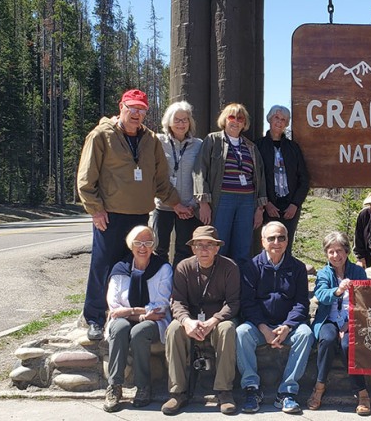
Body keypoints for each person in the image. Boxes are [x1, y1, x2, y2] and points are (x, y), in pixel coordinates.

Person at [77, 88, 193, 341]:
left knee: (132, 269)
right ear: (121, 107)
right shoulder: (101, 136)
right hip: (110, 215)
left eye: (141, 110)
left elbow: (160, 181)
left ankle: (125, 315)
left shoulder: (150, 140)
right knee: (103, 266)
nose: (136, 114)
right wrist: (95, 210)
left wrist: (176, 204)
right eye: (132, 108)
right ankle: (95, 317)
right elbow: (86, 178)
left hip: (140, 216)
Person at [161, 225, 240, 416]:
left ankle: (224, 391)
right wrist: (187, 321)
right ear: (192, 248)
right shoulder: (183, 267)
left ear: (217, 248)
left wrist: (214, 321)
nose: (204, 250)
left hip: (218, 320)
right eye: (199, 245)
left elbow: (233, 303)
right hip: (191, 320)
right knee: (172, 329)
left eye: (209, 245)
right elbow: (177, 301)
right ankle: (177, 392)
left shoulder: (229, 267)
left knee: (228, 329)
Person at [236, 221, 314, 414]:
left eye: (281, 237)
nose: (276, 242)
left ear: (288, 241)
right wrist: (263, 328)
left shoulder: (297, 268)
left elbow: (301, 303)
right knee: (241, 332)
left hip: (287, 327)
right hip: (260, 326)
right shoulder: (251, 267)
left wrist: (287, 326)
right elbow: (247, 302)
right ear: (263, 242)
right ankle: (251, 389)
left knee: (306, 334)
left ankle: (287, 392)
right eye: (271, 238)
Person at [103, 225, 173, 413]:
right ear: (130, 245)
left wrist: (134, 314)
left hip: (154, 322)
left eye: (148, 243)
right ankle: (115, 386)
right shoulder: (120, 269)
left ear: (154, 245)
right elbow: (114, 307)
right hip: (131, 318)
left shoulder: (163, 268)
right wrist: (140, 313)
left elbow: (161, 306)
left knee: (139, 331)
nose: (143, 247)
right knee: (119, 328)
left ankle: (143, 386)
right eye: (138, 243)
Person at [194, 103, 267, 263]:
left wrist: (260, 209)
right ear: (224, 120)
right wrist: (203, 203)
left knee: (242, 247)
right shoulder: (213, 140)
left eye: (240, 118)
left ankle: (239, 285)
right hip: (222, 199)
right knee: (219, 244)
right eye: (231, 117)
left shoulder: (251, 147)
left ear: (244, 122)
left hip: (247, 202)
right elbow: (200, 171)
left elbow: (260, 179)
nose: (236, 121)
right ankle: (218, 285)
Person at [308, 232, 371, 415]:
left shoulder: (358, 272)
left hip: (352, 320)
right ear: (326, 254)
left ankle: (361, 392)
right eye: (331, 252)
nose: (336, 256)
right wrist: (337, 291)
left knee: (348, 345)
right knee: (327, 340)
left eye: (339, 251)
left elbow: (364, 300)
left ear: (346, 251)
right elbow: (320, 295)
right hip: (329, 319)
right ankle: (319, 387)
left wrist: (348, 325)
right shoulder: (323, 273)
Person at [153, 101, 204, 265]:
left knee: (184, 251)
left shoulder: (199, 145)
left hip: (189, 208)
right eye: (177, 119)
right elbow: (154, 175)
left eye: (185, 120)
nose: (181, 124)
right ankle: (160, 287)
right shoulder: (158, 142)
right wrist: (175, 205)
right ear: (168, 121)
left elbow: (203, 176)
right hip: (164, 206)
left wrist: (193, 204)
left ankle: (179, 287)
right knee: (160, 250)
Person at [257, 105, 310, 254]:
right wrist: (266, 203)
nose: (279, 122)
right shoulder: (258, 146)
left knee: (285, 246)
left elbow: (304, 179)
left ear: (287, 124)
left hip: (290, 207)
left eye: (283, 120)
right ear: (269, 119)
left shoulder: (293, 148)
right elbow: (255, 179)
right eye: (276, 118)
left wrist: (295, 204)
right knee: (269, 247)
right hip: (267, 206)